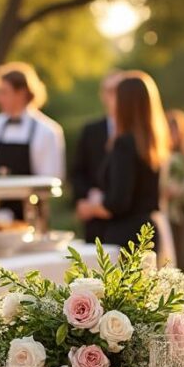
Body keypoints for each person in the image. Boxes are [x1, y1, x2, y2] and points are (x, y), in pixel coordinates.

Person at [76, 71, 169, 256]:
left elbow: (117, 203)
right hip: (148, 233)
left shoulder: (124, 143)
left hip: (125, 237)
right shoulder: (152, 141)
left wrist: (90, 208)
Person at [0, 62, 65, 220]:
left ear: (21, 93)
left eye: (4, 92)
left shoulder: (47, 131)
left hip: (30, 213)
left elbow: (51, 177)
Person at [71, 70, 120, 243]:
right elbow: (78, 171)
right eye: (109, 91)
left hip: (125, 220)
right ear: (102, 95)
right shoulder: (91, 131)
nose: (114, 96)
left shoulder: (137, 134)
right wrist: (84, 197)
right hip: (95, 221)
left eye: (118, 90)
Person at [165, 108, 184, 268]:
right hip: (165, 210)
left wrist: (181, 190)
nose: (172, 134)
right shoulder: (161, 155)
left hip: (183, 211)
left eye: (175, 130)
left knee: (183, 250)